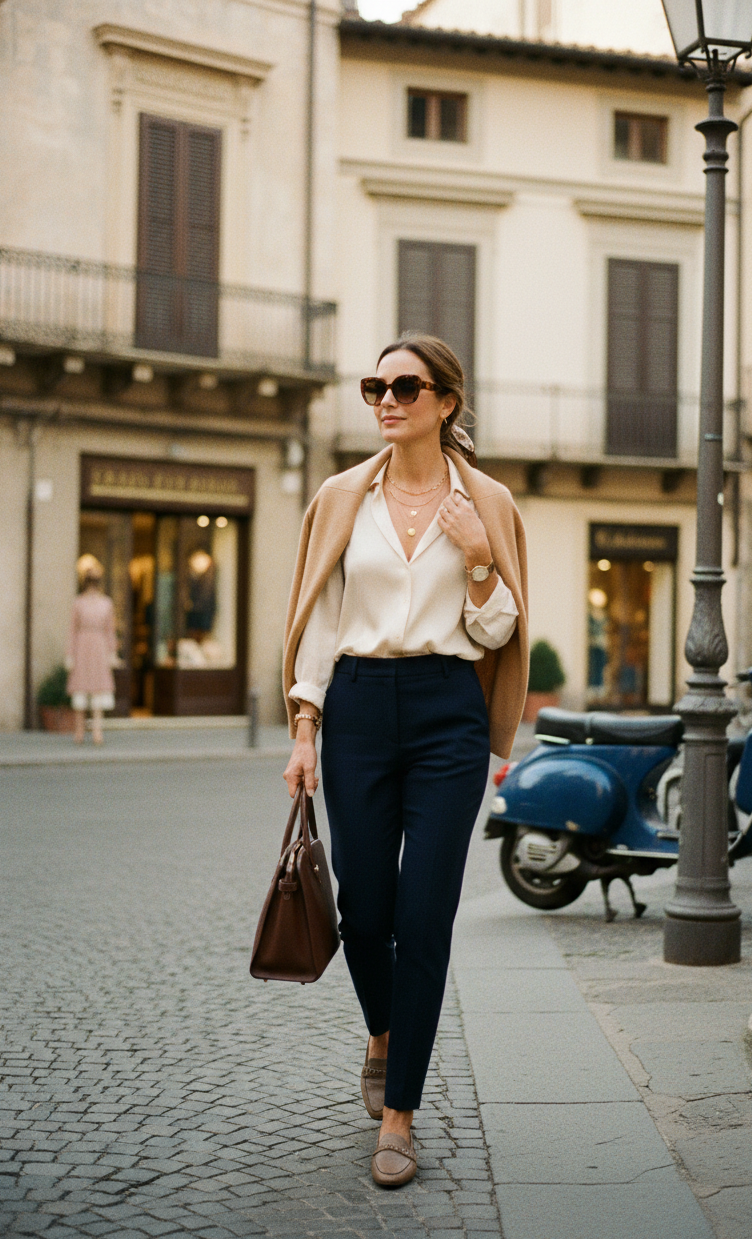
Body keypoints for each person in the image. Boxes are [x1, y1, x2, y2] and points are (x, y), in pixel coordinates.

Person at [282, 334, 528, 1187]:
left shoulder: (486, 501)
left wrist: (480, 557)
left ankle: (400, 1116)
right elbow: (320, 616)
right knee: (364, 910)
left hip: (446, 715)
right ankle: (383, 1034)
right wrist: (305, 725)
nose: (386, 400)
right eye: (374, 386)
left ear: (445, 401)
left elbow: (499, 635)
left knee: (424, 917)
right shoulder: (343, 496)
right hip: (354, 709)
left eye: (404, 386)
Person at [65, 568, 119, 745]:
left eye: (95, 582)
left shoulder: (106, 603)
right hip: (82, 646)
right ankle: (79, 731)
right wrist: (70, 654)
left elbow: (110, 630)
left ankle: (97, 731)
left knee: (98, 689)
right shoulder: (78, 603)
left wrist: (112, 652)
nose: (92, 585)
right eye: (90, 581)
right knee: (81, 688)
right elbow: (72, 630)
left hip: (99, 646)